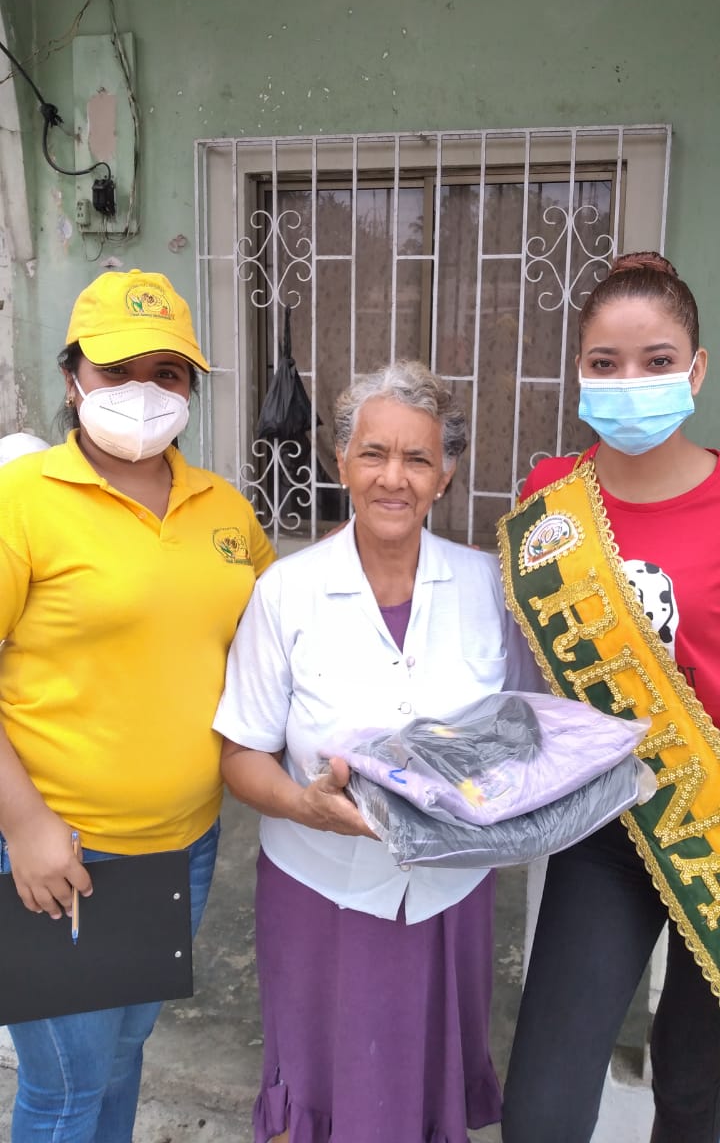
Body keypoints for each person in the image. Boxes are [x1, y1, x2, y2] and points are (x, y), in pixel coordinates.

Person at [213, 359, 541, 1143]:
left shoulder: (488, 588)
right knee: (319, 1093)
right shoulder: (286, 592)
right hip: (319, 892)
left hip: (448, 895)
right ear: (341, 462)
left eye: (418, 458)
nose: (394, 478)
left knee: (423, 1095)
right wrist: (304, 805)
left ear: (445, 474)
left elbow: (531, 730)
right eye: (374, 454)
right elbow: (240, 756)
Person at [0, 268, 275, 1142]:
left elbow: (281, 642)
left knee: (123, 1057)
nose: (144, 392)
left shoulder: (223, 508)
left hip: (184, 848)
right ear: (72, 378)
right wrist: (25, 826)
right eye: (117, 370)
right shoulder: (21, 502)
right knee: (66, 1088)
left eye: (167, 372)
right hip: (63, 851)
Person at [499, 252, 720, 1143]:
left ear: (695, 371)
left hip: (713, 825)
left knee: (698, 1093)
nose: (631, 382)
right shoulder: (549, 500)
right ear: (581, 373)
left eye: (656, 361)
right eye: (606, 363)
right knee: (542, 1112)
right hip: (606, 823)